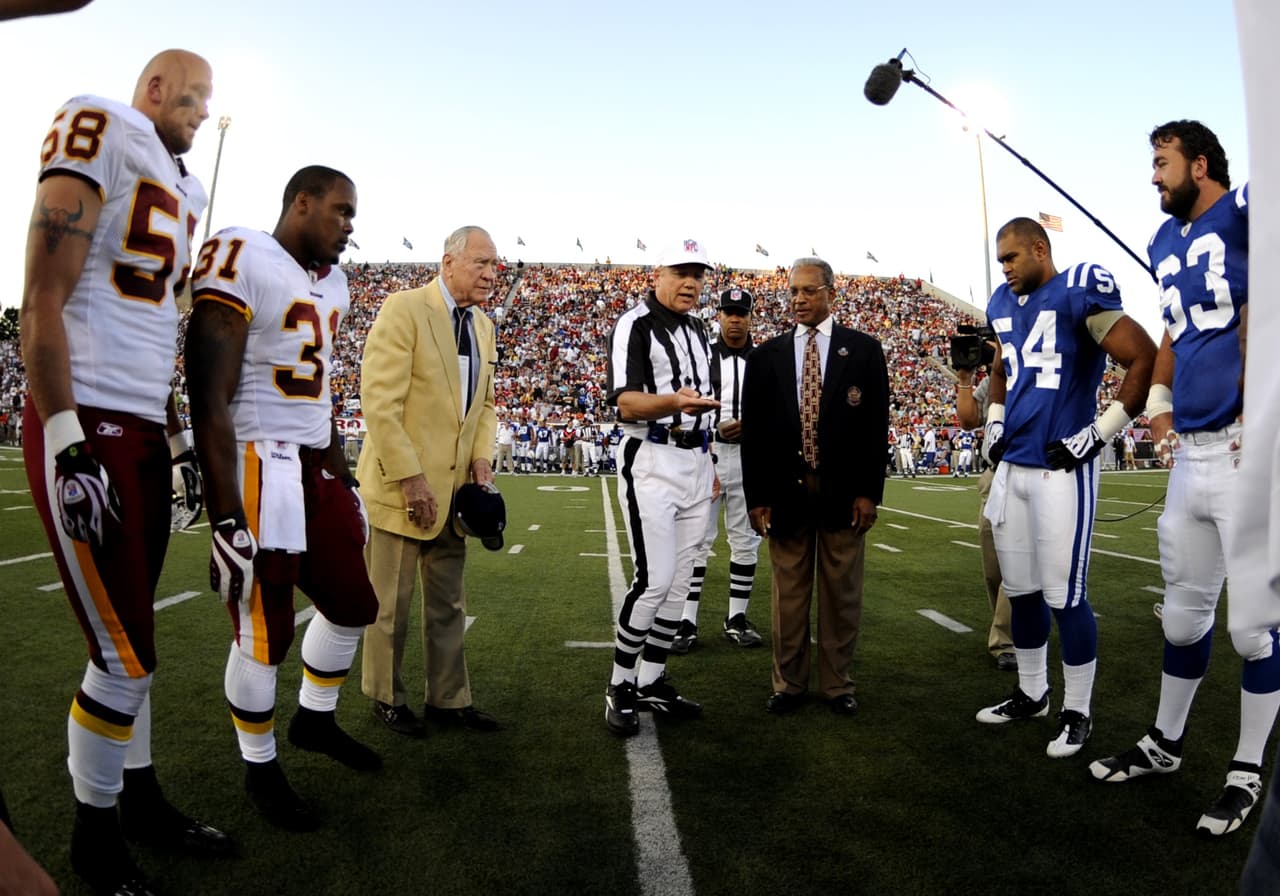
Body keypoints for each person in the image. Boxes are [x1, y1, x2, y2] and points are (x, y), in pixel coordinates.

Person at [18, 49, 233, 895]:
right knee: (121, 654)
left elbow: (156, 332)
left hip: (142, 423)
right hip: (88, 418)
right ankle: (93, 839)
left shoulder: (190, 190)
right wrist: (67, 436)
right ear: (153, 88)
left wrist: (176, 439)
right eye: (196, 96)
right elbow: (43, 291)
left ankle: (138, 799)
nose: (204, 111)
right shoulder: (100, 122)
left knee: (135, 638)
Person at [1089, 121, 1280, 838]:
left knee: (1253, 629)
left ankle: (1247, 766)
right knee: (1181, 615)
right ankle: (1165, 744)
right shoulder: (1165, 243)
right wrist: (1160, 411)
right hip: (1193, 453)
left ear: (1201, 164)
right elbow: (1175, 331)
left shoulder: (1252, 212)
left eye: (1162, 163)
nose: (1153, 177)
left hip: (1247, 447)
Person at [186, 165, 382, 833]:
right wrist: (225, 516)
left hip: (311, 464)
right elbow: (208, 391)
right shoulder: (241, 251)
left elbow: (319, 389)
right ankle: (259, 765)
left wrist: (341, 477)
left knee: (355, 603)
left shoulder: (337, 285)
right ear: (302, 202)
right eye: (341, 210)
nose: (350, 225)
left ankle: (315, 721)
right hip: (257, 459)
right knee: (263, 631)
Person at [974, 217, 1156, 758]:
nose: (1004, 268)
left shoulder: (1080, 289)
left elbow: (1142, 355)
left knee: (1065, 595)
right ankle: (1033, 692)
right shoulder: (1001, 305)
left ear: (1040, 248)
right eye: (999, 259)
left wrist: (1099, 434)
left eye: (1011, 257)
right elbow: (1002, 368)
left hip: (1061, 469)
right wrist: (994, 422)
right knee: (1023, 591)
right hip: (1015, 467)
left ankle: (1078, 710)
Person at [359, 226, 502, 737]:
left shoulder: (483, 326)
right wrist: (411, 478)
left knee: (449, 604)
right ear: (448, 262)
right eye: (481, 263)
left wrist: (481, 460)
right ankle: (386, 695)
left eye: (494, 265)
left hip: (455, 493)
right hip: (404, 488)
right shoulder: (404, 309)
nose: (491, 273)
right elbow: (379, 403)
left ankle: (448, 700)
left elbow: (484, 407)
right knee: (389, 605)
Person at [741, 257, 890, 715]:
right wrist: (757, 497)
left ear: (831, 292)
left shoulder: (863, 350)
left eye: (808, 291)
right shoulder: (766, 355)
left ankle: (837, 684)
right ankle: (788, 685)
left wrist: (870, 492)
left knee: (842, 594)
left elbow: (874, 427)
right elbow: (756, 433)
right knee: (788, 598)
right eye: (792, 292)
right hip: (786, 492)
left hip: (843, 492)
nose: (798, 300)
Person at [602, 239, 720, 736]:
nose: (691, 283)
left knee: (681, 581)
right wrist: (675, 403)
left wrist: (709, 457)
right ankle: (619, 686)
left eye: (698, 274)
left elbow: (703, 403)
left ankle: (652, 679)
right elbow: (625, 402)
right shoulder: (635, 323)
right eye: (681, 272)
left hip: (694, 458)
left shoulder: (699, 330)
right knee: (653, 580)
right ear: (658, 273)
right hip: (651, 456)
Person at [672, 287, 763, 653]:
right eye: (730, 313)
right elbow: (684, 409)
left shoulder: (764, 359)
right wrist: (713, 429)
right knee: (696, 540)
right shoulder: (703, 357)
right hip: (707, 454)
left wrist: (752, 427)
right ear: (720, 316)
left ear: (750, 317)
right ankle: (685, 621)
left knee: (746, 540)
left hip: (749, 458)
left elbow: (776, 411)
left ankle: (736, 617)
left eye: (742, 313)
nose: (735, 319)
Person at [956, 367, 1016, 672]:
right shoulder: (992, 380)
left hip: (1030, 471)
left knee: (1014, 569)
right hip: (995, 476)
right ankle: (1011, 631)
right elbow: (968, 420)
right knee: (993, 571)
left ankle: (1005, 640)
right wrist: (965, 382)